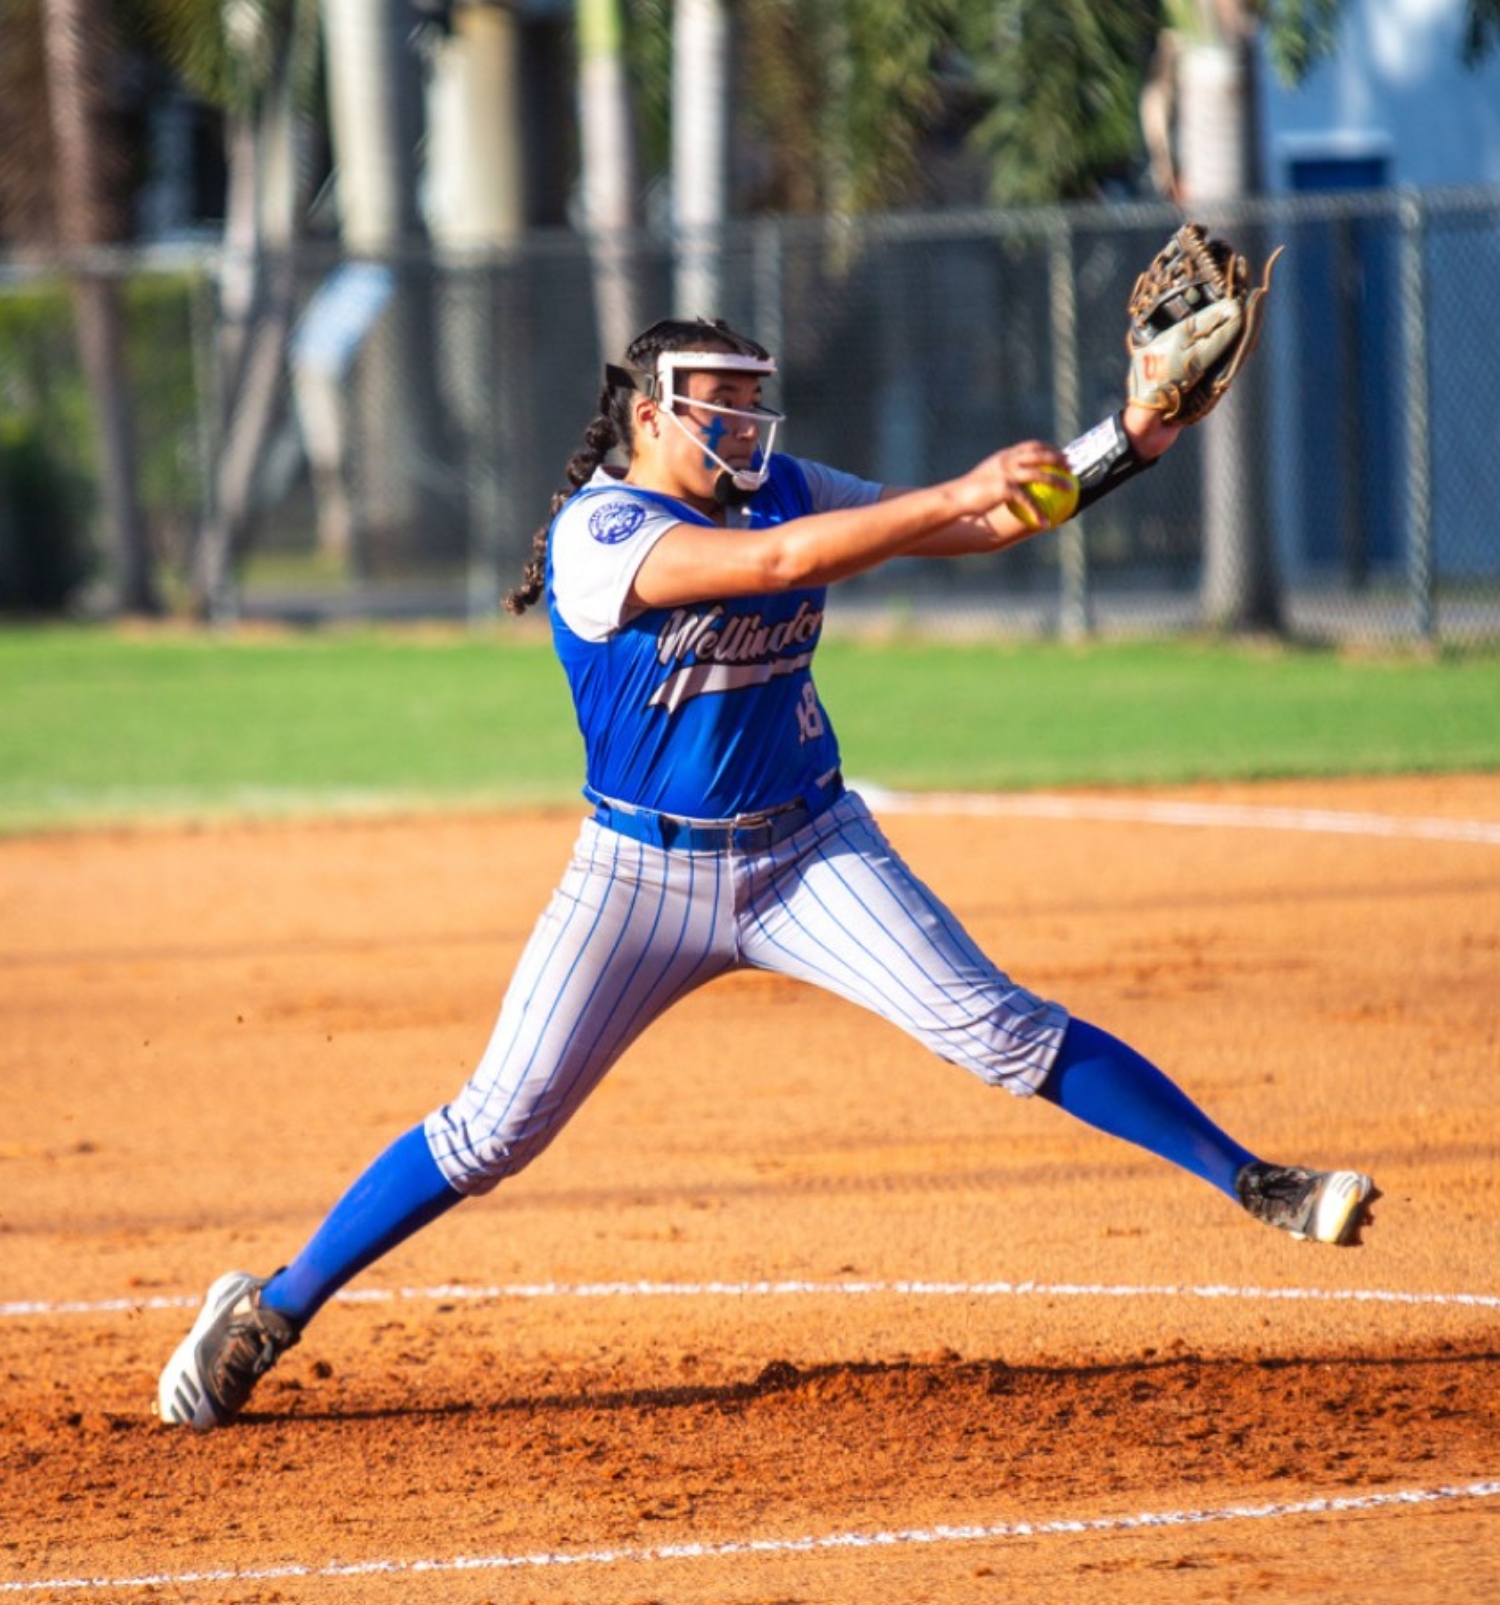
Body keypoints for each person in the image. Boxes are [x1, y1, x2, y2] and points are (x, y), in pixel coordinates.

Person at [157, 314, 1377, 1431]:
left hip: (807, 850)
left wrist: (1133, 435)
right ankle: (270, 1308)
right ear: (650, 415)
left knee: (997, 1029)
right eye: (716, 403)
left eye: (752, 399)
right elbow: (786, 565)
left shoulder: (784, 484)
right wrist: (956, 486)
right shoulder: (604, 529)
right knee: (495, 1128)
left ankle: (1255, 1180)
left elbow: (982, 521)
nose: (743, 422)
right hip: (637, 879)